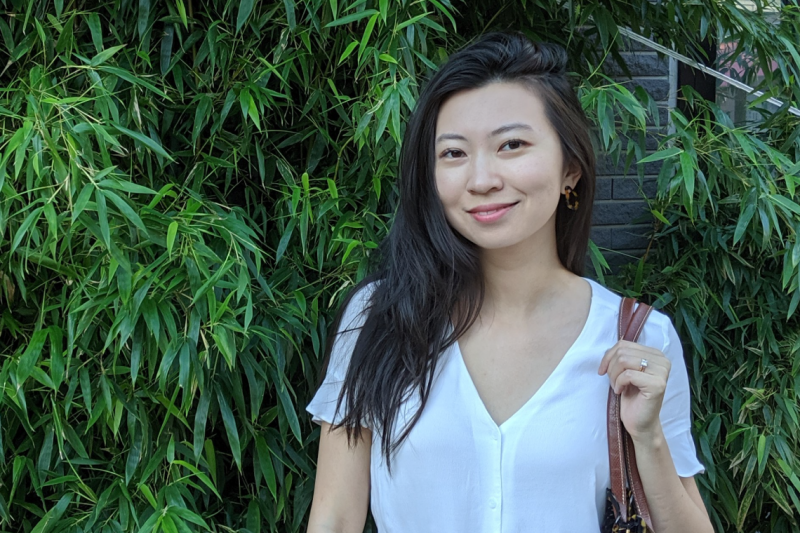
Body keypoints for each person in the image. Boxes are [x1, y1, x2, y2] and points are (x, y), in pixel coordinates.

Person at [305, 32, 713, 533]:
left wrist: (646, 437)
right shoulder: (379, 318)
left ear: (571, 169)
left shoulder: (637, 338)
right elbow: (335, 518)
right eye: (453, 153)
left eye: (511, 145)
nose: (481, 179)